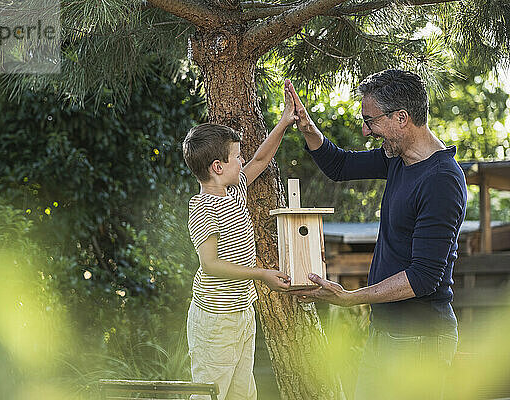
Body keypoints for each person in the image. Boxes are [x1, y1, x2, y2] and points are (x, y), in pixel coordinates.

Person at [286, 69, 467, 399]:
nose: (367, 131)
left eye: (372, 121)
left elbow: (424, 278)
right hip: (385, 332)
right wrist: (307, 127)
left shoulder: (441, 180)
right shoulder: (398, 159)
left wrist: (352, 298)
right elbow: (340, 166)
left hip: (420, 339)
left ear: (401, 118)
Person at [181, 81, 298, 400]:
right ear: (217, 167)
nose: (242, 161)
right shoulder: (202, 209)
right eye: (236, 157)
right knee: (209, 393)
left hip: (242, 311)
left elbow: (261, 159)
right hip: (215, 320)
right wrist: (261, 275)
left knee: (243, 393)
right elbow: (211, 264)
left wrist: (285, 121)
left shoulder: (235, 192)